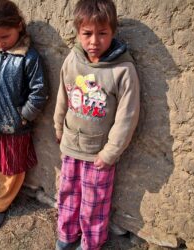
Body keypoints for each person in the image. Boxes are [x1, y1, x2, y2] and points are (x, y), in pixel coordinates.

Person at [53, 0, 140, 249]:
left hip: (99, 154)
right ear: (78, 32)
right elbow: (63, 95)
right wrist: (58, 126)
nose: (94, 41)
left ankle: (91, 243)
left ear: (113, 32)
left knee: (94, 202)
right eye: (87, 34)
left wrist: (111, 152)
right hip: (71, 144)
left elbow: (127, 116)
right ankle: (66, 235)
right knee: (68, 193)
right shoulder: (72, 60)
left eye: (102, 33)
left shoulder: (123, 69)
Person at [0, 0, 48, 231]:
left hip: (16, 127)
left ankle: (1, 205)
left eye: (4, 37)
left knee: (12, 170)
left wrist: (23, 116)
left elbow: (39, 92)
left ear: (19, 26)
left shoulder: (28, 57)